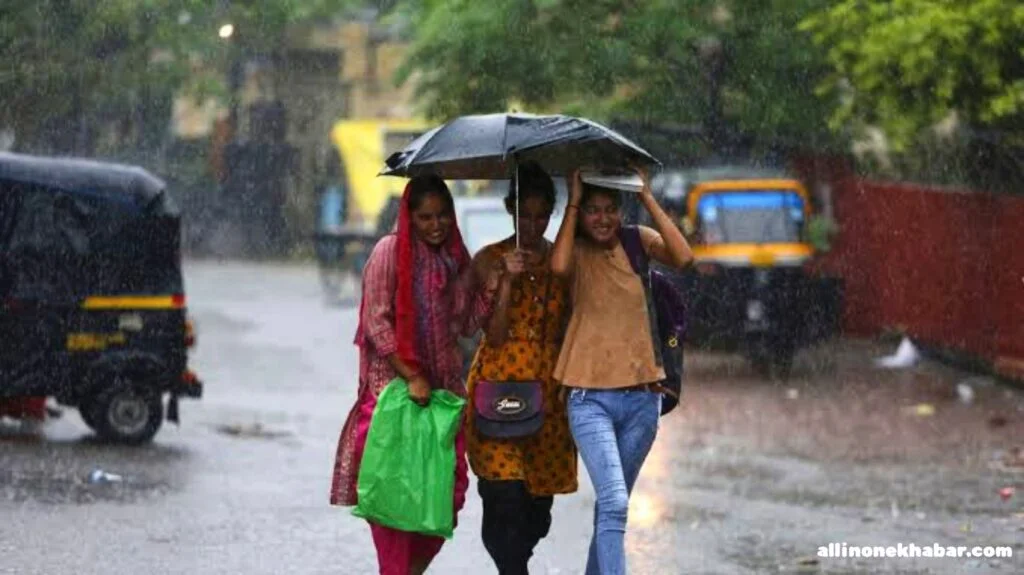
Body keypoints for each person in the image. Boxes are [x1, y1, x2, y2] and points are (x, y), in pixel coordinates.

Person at [329, 175, 504, 575]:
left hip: (441, 398)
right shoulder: (389, 252)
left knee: (445, 499)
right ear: (409, 216)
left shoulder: (454, 259)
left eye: (443, 215)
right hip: (393, 395)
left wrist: (496, 282)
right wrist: (411, 374)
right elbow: (376, 322)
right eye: (425, 217)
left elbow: (464, 322)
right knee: (395, 503)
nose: (436, 225)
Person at [550, 168, 694, 575]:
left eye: (609, 209)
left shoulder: (638, 241)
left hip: (643, 400)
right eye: (593, 211)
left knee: (611, 508)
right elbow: (557, 270)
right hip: (588, 398)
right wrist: (573, 198)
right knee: (614, 502)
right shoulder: (573, 250)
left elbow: (684, 257)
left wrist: (645, 194)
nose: (602, 218)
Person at [464, 163, 578, 575]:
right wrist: (506, 281)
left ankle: (513, 564)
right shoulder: (487, 259)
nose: (531, 225)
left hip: (547, 395)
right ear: (509, 208)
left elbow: (570, 326)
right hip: (496, 388)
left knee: (537, 511)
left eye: (540, 216)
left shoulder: (562, 263)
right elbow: (492, 336)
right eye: (523, 215)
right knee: (502, 494)